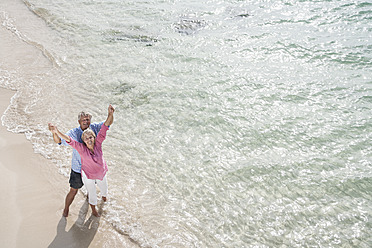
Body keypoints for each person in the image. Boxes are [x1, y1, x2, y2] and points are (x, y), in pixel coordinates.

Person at [50, 105, 114, 217]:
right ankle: (66, 209)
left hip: (93, 168)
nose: (86, 121)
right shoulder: (74, 133)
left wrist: (111, 114)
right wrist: (55, 132)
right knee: (73, 191)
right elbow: (60, 141)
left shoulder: (94, 128)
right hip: (78, 168)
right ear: (79, 121)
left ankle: (93, 203)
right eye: (83, 120)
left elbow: (107, 124)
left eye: (88, 119)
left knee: (93, 189)